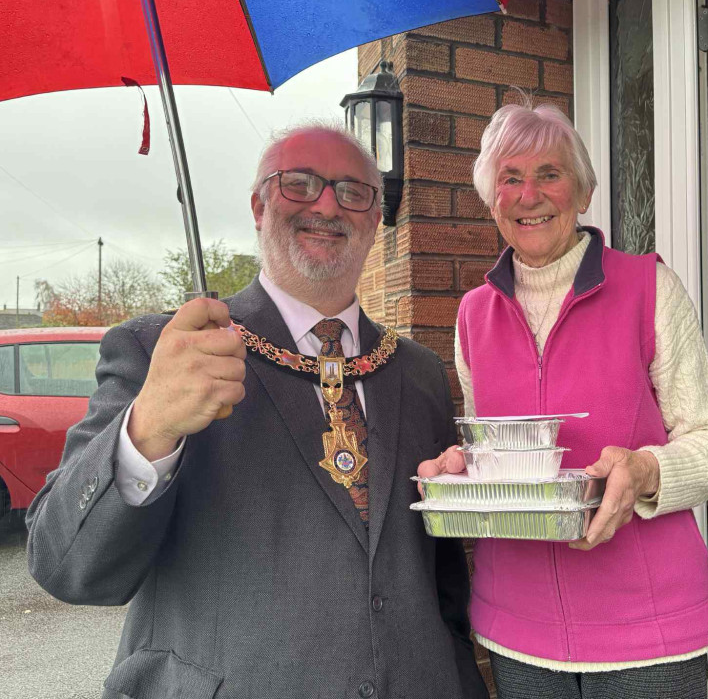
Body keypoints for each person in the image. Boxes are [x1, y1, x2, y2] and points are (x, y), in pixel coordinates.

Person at [26, 123, 487, 699]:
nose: (326, 204)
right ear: (257, 205)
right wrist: (148, 429)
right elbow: (66, 567)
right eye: (299, 184)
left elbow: (442, 575)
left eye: (353, 191)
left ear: (375, 220)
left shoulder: (416, 371)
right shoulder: (163, 350)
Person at [419, 103, 708, 699]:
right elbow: (494, 449)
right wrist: (461, 470)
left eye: (550, 173)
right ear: (492, 201)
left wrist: (648, 470)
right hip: (517, 629)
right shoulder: (472, 315)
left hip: (648, 632)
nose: (529, 194)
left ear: (584, 191)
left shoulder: (648, 287)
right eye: (510, 179)